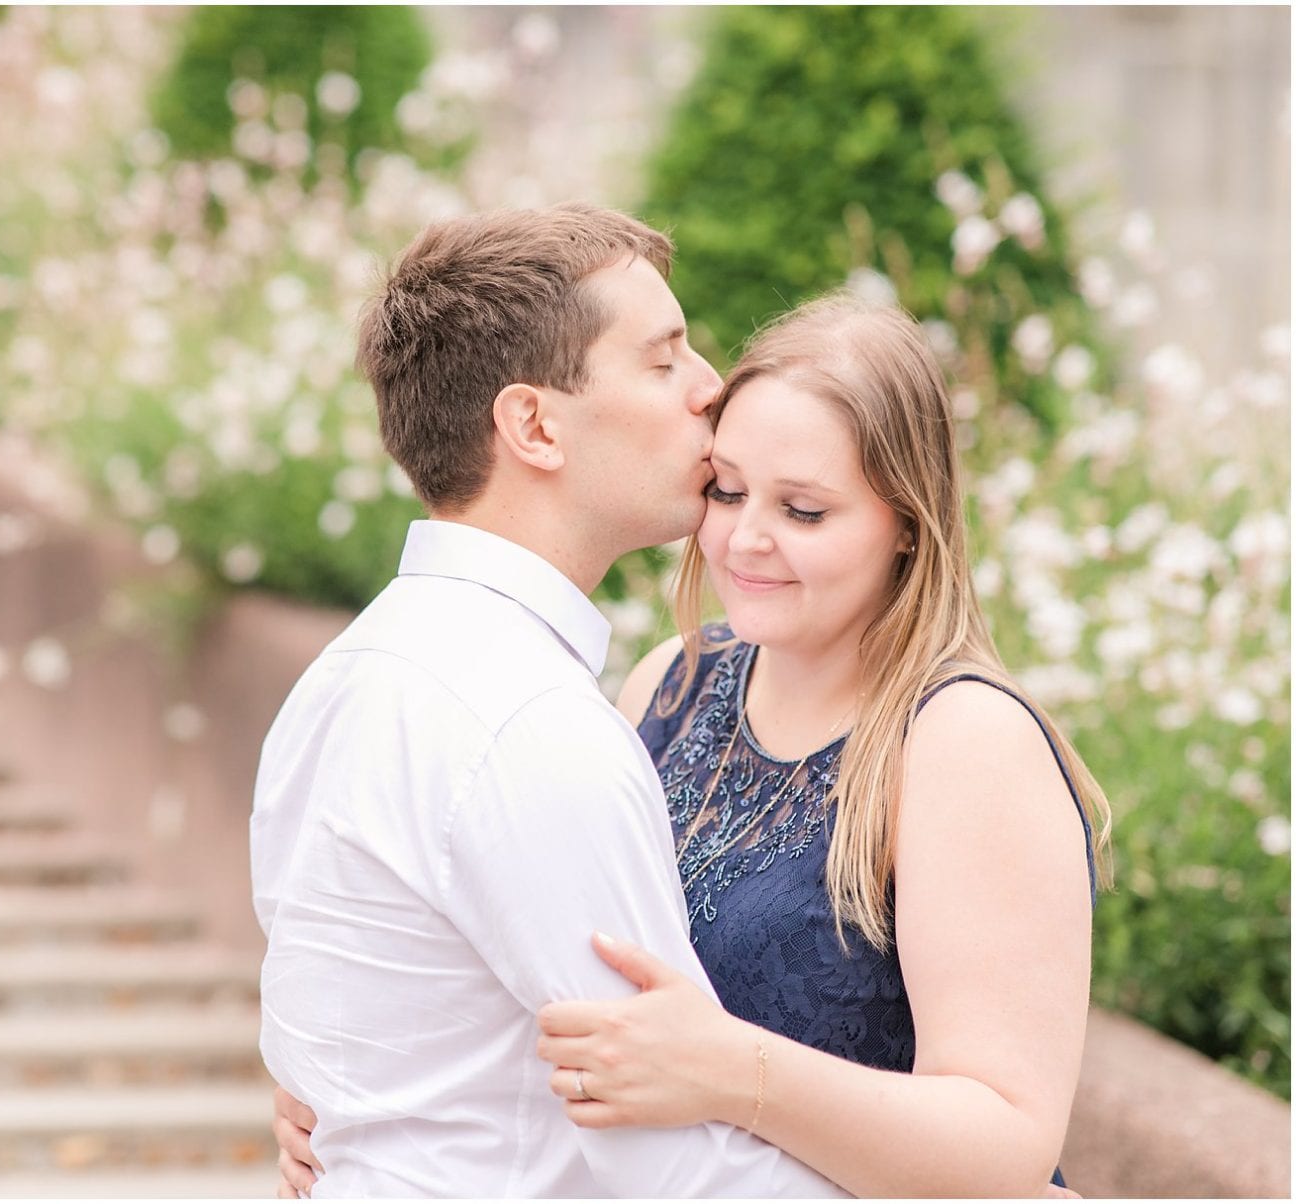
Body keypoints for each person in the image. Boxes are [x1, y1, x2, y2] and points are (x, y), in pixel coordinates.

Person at [272, 292, 1106, 1198]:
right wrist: (366, 1095)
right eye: (729, 490)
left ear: (906, 523)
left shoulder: (964, 741)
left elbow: (1009, 1144)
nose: (746, 540)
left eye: (806, 512)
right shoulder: (674, 680)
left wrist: (739, 1073)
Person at [251, 204, 843, 1196]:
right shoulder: (526, 724)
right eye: (663, 360)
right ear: (533, 424)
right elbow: (667, 1159)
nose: (710, 389)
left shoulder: (344, 678)